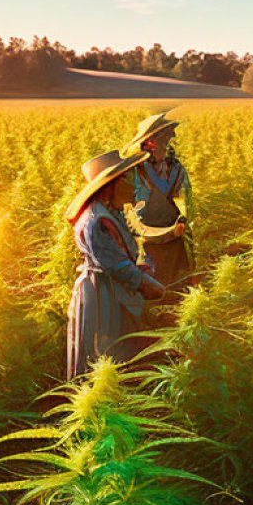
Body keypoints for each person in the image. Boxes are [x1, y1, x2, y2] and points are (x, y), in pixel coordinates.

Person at [64, 150, 165, 379]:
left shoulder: (111, 213)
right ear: (111, 185)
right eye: (128, 179)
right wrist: (148, 285)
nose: (134, 185)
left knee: (120, 352)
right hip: (101, 295)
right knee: (102, 354)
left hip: (112, 290)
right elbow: (119, 267)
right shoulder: (96, 220)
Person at [123, 112, 194, 288]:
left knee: (177, 286)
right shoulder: (136, 172)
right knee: (153, 285)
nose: (170, 140)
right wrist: (161, 232)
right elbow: (131, 212)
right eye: (164, 137)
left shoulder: (175, 168)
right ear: (150, 142)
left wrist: (183, 219)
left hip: (175, 240)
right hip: (147, 242)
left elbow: (185, 198)